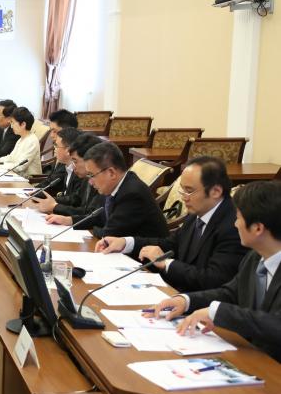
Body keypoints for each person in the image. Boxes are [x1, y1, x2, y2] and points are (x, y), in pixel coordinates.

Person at [152, 181, 281, 362]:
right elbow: (231, 293)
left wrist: (218, 312)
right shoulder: (255, 256)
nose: (235, 224)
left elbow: (276, 325)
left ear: (257, 228)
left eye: (238, 218)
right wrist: (186, 301)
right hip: (251, 355)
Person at [97, 156, 246, 292]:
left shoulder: (234, 226)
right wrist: (126, 242)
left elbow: (214, 279)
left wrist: (166, 263)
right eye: (183, 189)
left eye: (189, 191)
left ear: (216, 191)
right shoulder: (198, 212)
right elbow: (172, 244)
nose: (184, 197)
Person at [52, 141, 168, 238]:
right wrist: (69, 220)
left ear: (111, 173)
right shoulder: (115, 185)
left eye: (92, 175)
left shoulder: (132, 194)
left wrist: (94, 230)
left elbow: (109, 233)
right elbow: (99, 218)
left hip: (141, 257)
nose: (90, 182)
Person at [43, 133, 104, 222]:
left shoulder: (101, 181)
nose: (73, 166)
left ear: (89, 159)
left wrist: (56, 207)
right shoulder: (86, 177)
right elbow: (76, 199)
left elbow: (90, 213)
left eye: (75, 161)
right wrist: (51, 202)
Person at [31, 127, 82, 200]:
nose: (54, 148)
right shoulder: (67, 166)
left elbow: (74, 201)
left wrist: (53, 203)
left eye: (56, 145)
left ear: (68, 150)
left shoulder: (79, 172)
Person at [0, 106, 41, 176]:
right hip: (17, 176)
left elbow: (20, 166)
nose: (11, 126)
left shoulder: (32, 141)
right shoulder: (21, 139)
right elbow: (11, 157)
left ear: (23, 124)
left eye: (13, 123)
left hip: (29, 180)